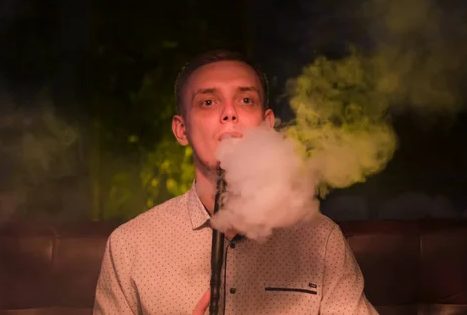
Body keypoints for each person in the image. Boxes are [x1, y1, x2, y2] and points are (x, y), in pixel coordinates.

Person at [93, 50, 379, 315]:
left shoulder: (320, 240)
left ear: (267, 125)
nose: (229, 113)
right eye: (208, 102)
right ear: (182, 130)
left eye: (245, 100)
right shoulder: (130, 246)